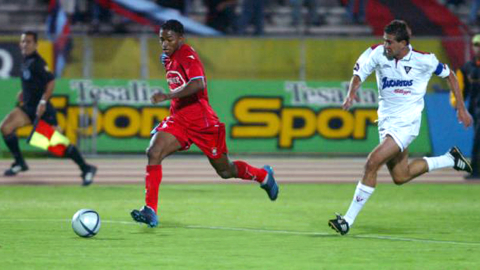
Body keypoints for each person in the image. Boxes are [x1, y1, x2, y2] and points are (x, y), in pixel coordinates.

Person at [328, 20, 473, 235]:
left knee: (372, 162)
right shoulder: (377, 53)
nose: (385, 45)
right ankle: (450, 159)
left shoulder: (424, 60)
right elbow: (359, 74)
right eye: (384, 40)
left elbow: (450, 75)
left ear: (404, 43)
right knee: (401, 176)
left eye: (390, 42)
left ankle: (347, 221)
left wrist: (461, 108)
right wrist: (351, 93)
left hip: (407, 124)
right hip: (386, 122)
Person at [130, 20, 279, 228]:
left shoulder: (187, 54)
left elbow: (198, 83)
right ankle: (150, 210)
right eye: (161, 39)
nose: (164, 44)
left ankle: (263, 175)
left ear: (181, 38)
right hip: (179, 119)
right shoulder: (167, 57)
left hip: (203, 123)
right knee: (153, 152)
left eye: (169, 39)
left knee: (225, 171)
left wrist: (167, 95)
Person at [0, 31, 97, 186]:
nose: (25, 44)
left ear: (36, 44)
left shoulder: (38, 62)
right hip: (28, 108)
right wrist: (23, 93)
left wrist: (43, 102)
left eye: (29, 42)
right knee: (5, 127)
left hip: (42, 111)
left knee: (57, 146)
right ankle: (20, 163)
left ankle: (86, 168)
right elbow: (32, 82)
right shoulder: (26, 60)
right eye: (23, 41)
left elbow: (50, 82)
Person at [451, 34, 480, 179]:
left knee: (478, 140)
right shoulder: (467, 68)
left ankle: (476, 171)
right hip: (476, 110)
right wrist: (458, 106)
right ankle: (476, 170)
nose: (478, 48)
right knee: (477, 139)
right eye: (476, 44)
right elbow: (459, 88)